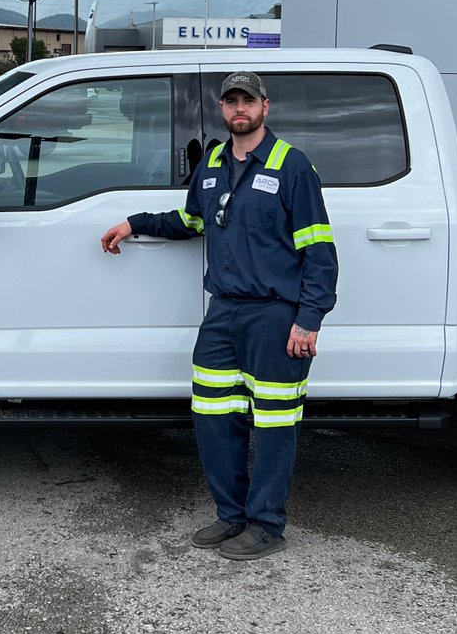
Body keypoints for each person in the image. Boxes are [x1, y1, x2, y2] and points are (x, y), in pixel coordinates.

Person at [100, 71, 337, 560]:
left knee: (274, 423)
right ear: (222, 109)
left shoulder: (292, 166)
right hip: (223, 312)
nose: (238, 109)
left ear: (264, 107)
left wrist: (309, 319)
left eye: (247, 100)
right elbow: (190, 221)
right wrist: (134, 223)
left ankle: (266, 524)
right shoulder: (211, 162)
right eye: (230, 101)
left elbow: (320, 251)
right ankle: (231, 516)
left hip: (276, 314)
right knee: (212, 416)